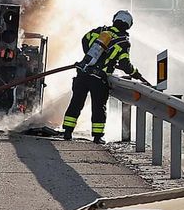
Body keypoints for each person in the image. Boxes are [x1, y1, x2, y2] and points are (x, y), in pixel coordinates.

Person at [61, 9, 148, 142]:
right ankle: (97, 137)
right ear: (128, 25)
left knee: (76, 102)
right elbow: (125, 64)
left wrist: (89, 57)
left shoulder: (100, 31)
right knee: (98, 107)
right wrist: (135, 73)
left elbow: (85, 39)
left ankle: (67, 132)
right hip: (98, 79)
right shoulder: (123, 42)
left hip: (83, 72)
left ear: (115, 19)